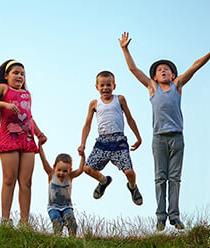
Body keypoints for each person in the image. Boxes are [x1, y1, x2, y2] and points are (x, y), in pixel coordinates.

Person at [119, 32, 210, 231]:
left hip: (177, 137)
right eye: (159, 70)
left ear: (173, 75)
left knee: (175, 178)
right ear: (154, 76)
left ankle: (174, 216)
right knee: (160, 177)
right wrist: (125, 49)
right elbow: (134, 69)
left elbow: (194, 66)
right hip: (159, 139)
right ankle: (160, 217)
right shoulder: (153, 88)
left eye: (166, 70)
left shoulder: (177, 86)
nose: (163, 71)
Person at [0, 59, 47, 225]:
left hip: (27, 139)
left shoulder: (27, 95)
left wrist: (39, 134)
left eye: (22, 74)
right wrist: (5, 105)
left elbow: (29, 116)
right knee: (9, 179)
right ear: (6, 75)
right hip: (9, 138)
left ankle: (24, 222)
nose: (20, 76)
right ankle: (5, 219)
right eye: (16, 73)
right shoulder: (3, 88)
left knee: (26, 181)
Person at [78, 70, 143, 206]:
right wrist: (82, 144)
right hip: (102, 142)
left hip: (119, 141)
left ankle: (133, 187)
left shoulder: (119, 99)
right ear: (97, 87)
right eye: (102, 85)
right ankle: (103, 181)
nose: (105, 88)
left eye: (108, 85)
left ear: (114, 86)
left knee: (129, 172)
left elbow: (130, 119)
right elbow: (87, 125)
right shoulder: (94, 104)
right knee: (87, 169)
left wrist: (138, 137)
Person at [38, 144, 85, 237]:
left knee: (71, 221)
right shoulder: (51, 174)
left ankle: (73, 239)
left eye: (65, 171)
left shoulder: (70, 177)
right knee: (57, 221)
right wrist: (40, 147)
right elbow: (44, 161)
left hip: (67, 207)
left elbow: (80, 170)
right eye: (59, 170)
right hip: (53, 207)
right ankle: (57, 238)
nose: (61, 173)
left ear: (70, 170)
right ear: (54, 167)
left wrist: (83, 156)